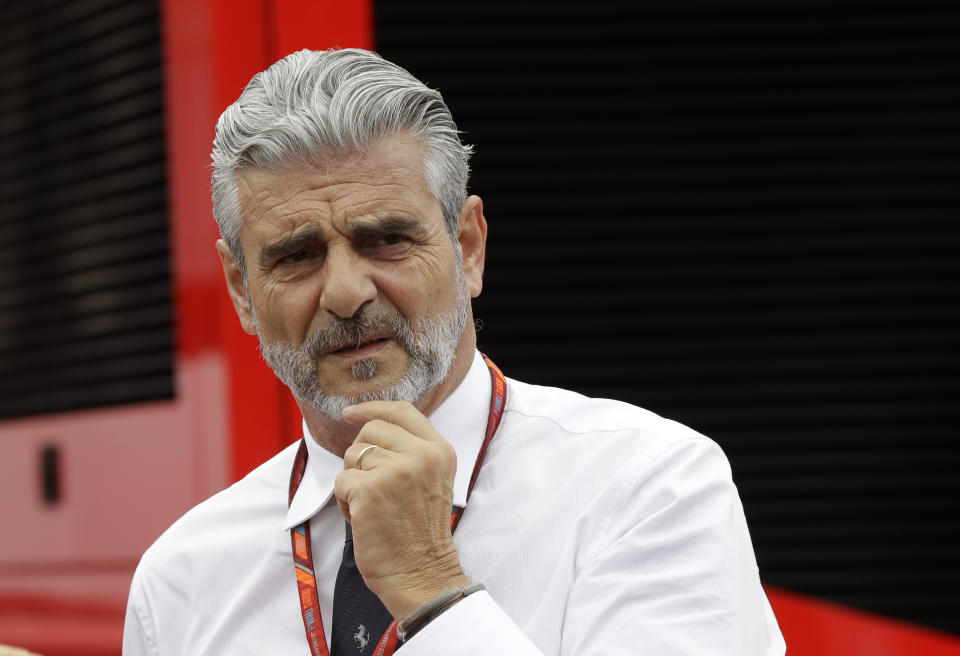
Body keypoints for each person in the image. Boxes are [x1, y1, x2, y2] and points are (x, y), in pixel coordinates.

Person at [122, 48, 785, 655]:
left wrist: (430, 588)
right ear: (241, 289)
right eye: (297, 256)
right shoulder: (180, 580)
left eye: (386, 239)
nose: (346, 293)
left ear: (468, 248)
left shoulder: (647, 488)